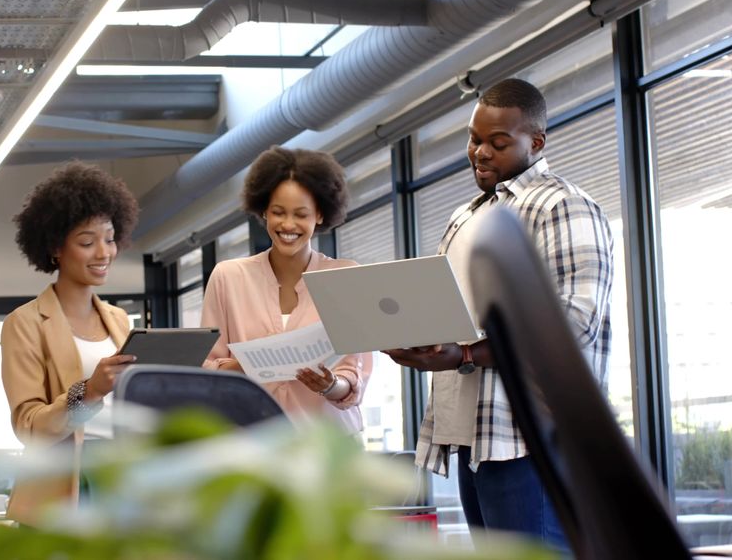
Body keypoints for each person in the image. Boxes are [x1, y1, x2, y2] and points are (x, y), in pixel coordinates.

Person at [385, 78, 614, 548]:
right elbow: (453, 313)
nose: (480, 153)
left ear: (537, 142)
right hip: (475, 436)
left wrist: (464, 353)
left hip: (530, 438)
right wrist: (416, 337)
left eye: (498, 142)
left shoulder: (563, 206)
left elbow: (575, 326)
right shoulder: (464, 217)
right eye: (474, 140)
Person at [0, 161, 139, 522]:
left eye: (109, 239)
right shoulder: (25, 324)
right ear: (55, 247)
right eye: (87, 242)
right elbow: (29, 427)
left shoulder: (119, 321)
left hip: (124, 479)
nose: (103, 253)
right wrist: (88, 392)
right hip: (61, 492)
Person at [200, 146, 372, 435]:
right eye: (278, 212)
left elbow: (353, 378)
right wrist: (244, 368)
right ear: (264, 211)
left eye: (300, 214)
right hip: (251, 447)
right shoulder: (228, 277)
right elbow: (205, 368)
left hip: (326, 450)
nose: (288, 225)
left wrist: (329, 385)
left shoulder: (346, 276)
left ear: (319, 215)